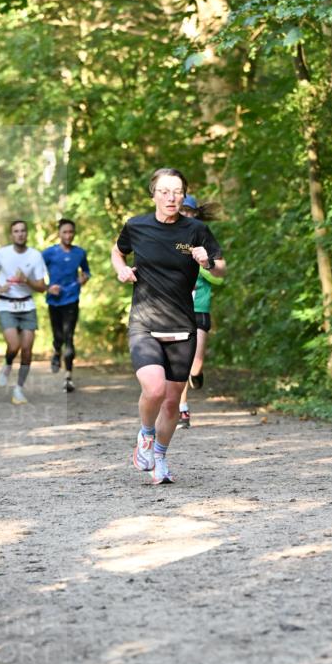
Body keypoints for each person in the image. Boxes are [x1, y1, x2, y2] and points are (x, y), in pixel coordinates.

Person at [111, 168, 226, 484]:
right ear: (154, 195)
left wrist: (207, 262)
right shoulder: (136, 226)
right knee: (155, 388)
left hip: (182, 326)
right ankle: (146, 435)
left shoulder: (196, 230)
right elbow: (117, 251)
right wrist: (121, 269)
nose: (171, 197)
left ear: (183, 195)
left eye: (177, 191)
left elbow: (221, 270)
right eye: (164, 191)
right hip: (144, 323)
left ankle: (159, 457)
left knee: (174, 401)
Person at [0, 219, 47, 404]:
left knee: (27, 350)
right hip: (6, 305)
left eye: (23, 231)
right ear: (12, 235)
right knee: (14, 345)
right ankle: (7, 364)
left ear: (27, 234)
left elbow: (42, 287)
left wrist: (26, 280)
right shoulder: (2, 253)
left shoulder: (35, 256)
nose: (20, 234)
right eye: (16, 231)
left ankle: (19, 389)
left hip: (27, 305)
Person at [177, 194, 224, 429]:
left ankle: (197, 374)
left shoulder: (205, 240)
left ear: (195, 214)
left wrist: (202, 268)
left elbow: (219, 280)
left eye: (189, 211)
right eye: (181, 210)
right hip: (176, 308)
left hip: (200, 307)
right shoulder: (171, 240)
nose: (185, 214)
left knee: (195, 363)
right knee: (181, 361)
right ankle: (182, 410)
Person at [42, 218, 91, 393]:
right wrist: (48, 287)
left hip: (72, 299)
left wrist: (83, 278)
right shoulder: (49, 253)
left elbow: (86, 271)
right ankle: (56, 352)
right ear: (59, 234)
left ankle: (68, 377)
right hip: (54, 300)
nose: (68, 235)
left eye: (71, 232)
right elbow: (36, 271)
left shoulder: (79, 253)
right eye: (65, 232)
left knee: (69, 336)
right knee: (58, 337)